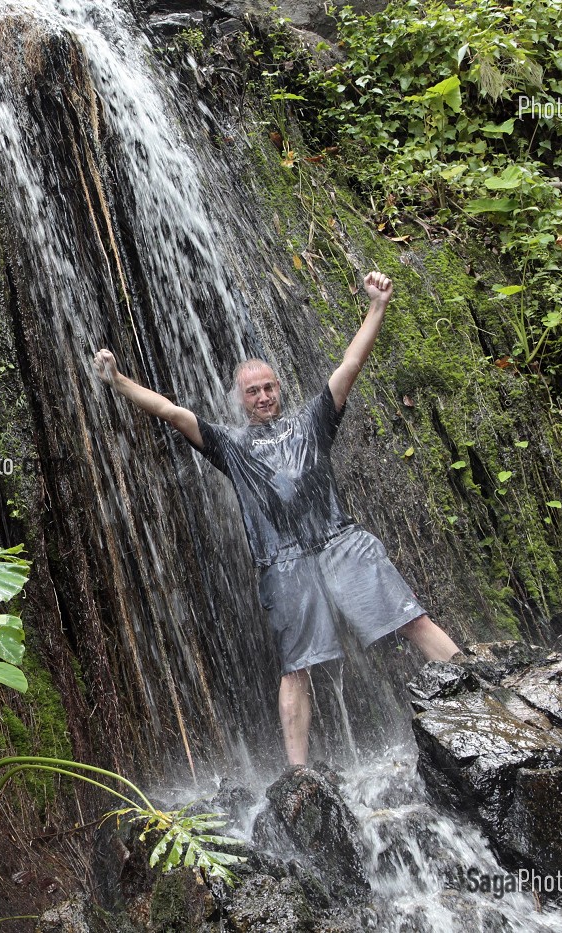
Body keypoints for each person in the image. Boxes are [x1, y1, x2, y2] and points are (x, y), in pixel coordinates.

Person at [92, 271, 460, 767]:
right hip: (284, 564)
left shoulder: (312, 421)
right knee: (295, 669)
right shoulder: (230, 445)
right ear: (240, 400)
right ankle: (299, 775)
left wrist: (377, 306)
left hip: (339, 541)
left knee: (411, 618)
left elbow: (351, 365)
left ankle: (477, 692)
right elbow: (171, 411)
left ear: (279, 389)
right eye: (253, 391)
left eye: (268, 387)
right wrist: (117, 382)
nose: (263, 396)